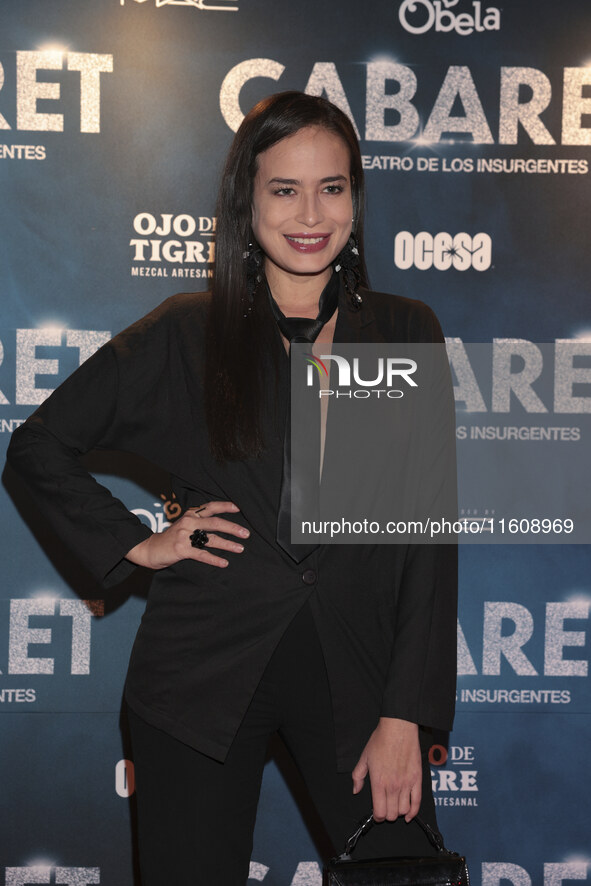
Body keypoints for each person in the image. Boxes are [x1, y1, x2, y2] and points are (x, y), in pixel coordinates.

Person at [7, 91, 457, 885]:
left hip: (357, 680)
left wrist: (405, 713)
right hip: (199, 675)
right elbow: (39, 447)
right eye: (283, 189)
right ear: (246, 204)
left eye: (332, 187)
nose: (309, 212)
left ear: (356, 197)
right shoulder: (188, 331)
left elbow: (424, 538)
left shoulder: (401, 328)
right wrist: (135, 542)